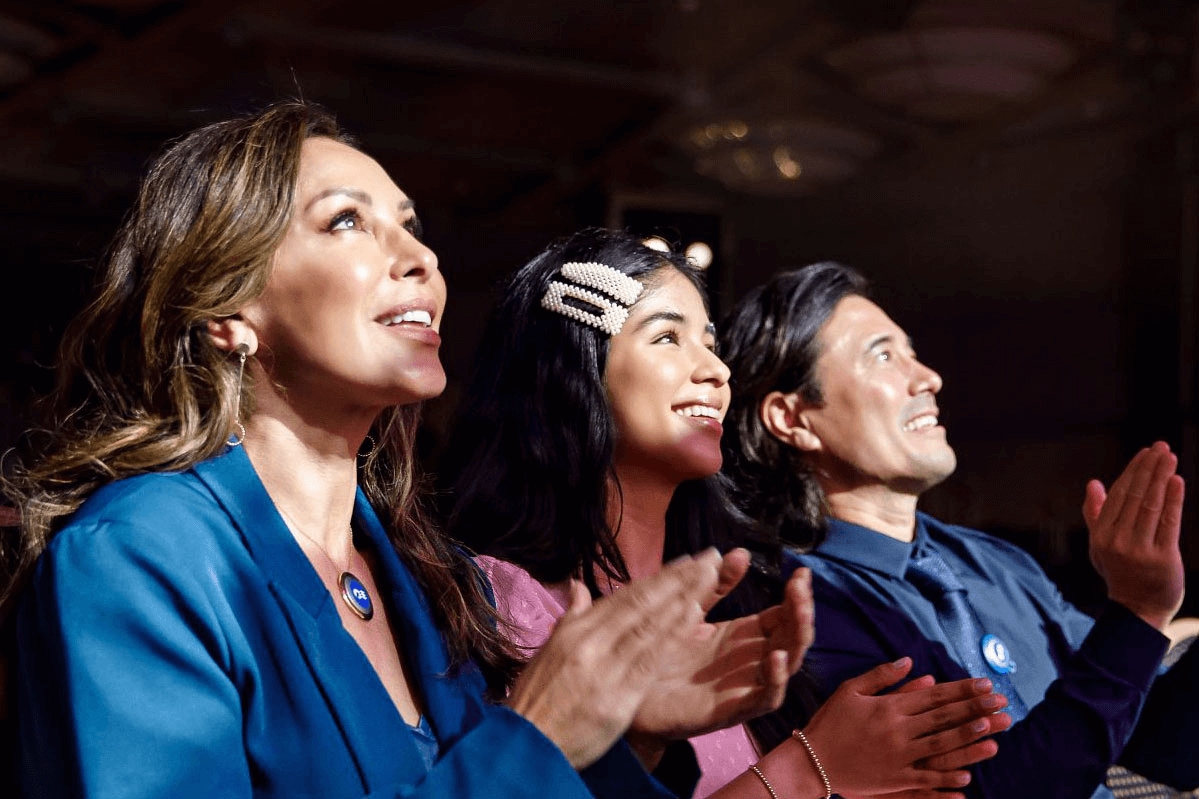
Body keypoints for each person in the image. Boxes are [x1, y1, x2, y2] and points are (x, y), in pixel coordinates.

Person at [1, 102, 808, 799]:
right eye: (346, 221)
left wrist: (629, 736)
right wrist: (540, 735)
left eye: (411, 225)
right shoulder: (139, 558)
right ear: (228, 309)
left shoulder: (428, 575)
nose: (420, 257)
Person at [444, 229, 1012, 799]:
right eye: (667, 336)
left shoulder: (737, 602)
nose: (716, 370)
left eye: (710, 343)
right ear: (571, 368)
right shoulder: (505, 602)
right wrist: (813, 769)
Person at [718, 261, 1199, 799]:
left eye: (912, 352)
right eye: (882, 355)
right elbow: (990, 792)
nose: (928, 378)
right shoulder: (803, 608)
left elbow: (1170, 744)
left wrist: (1140, 620)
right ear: (792, 419)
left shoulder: (991, 561)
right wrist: (1137, 614)